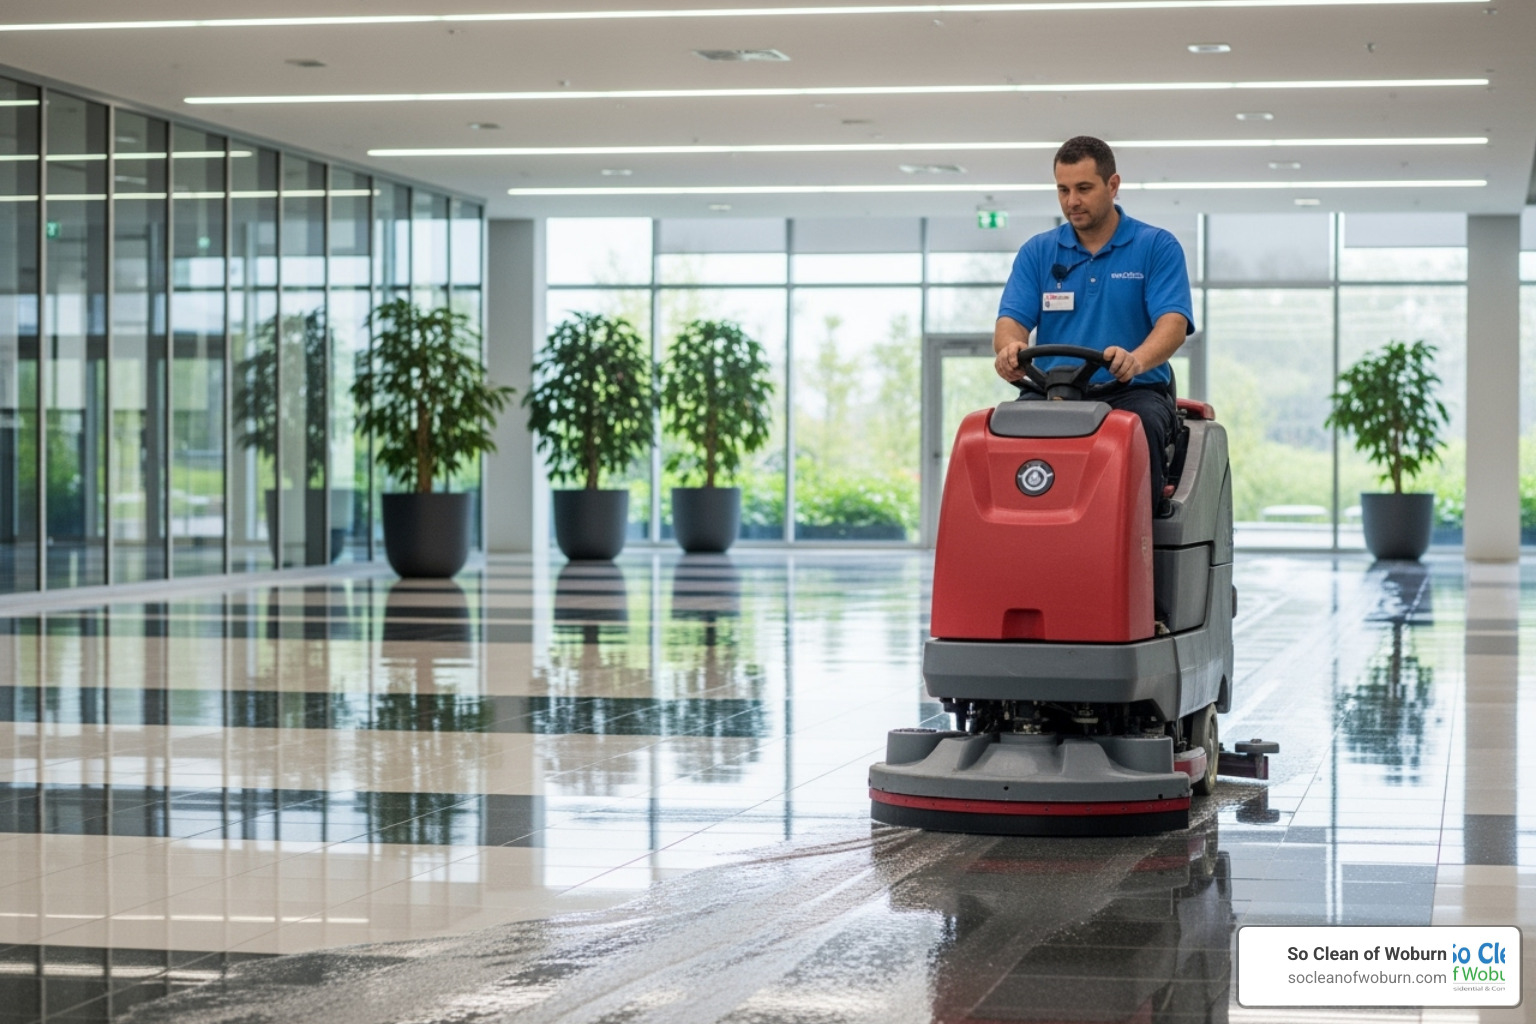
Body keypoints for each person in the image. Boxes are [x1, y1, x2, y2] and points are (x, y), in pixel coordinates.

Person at [993, 135, 1194, 515]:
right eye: (1063, 189)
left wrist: (1136, 360)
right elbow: (1011, 321)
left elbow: (1173, 323)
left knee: (1142, 428)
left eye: (1083, 188)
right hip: (1050, 392)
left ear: (1112, 185)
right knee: (1005, 427)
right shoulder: (1038, 251)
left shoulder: (1156, 246)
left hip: (1131, 392)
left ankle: (1141, 531)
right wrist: (1009, 349)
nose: (1072, 201)